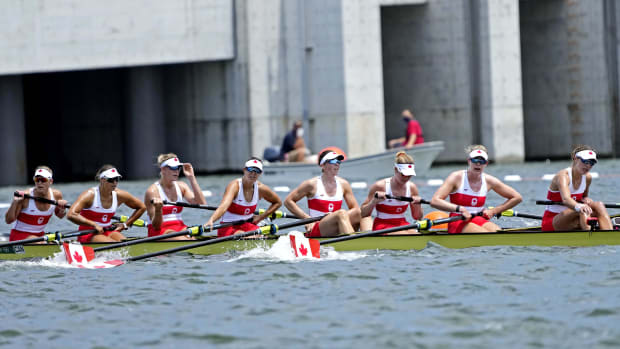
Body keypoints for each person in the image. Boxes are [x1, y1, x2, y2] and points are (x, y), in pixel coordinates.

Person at [430, 145, 522, 233]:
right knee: (486, 235)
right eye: (475, 160)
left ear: (486, 163)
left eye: (482, 161)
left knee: (497, 232)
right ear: (469, 161)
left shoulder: (489, 180)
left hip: (478, 218)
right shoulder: (456, 177)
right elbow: (435, 201)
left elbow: (517, 198)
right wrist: (460, 209)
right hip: (458, 220)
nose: (478, 164)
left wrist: (494, 211)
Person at [284, 150, 363, 237]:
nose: (337, 164)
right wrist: (307, 219)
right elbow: (288, 201)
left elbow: (354, 209)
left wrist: (332, 216)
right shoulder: (311, 184)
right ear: (323, 165)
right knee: (341, 213)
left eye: (338, 161)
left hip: (336, 222)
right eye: (333, 161)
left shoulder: (344, 184)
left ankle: (368, 238)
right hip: (317, 227)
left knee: (360, 212)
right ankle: (353, 241)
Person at [204, 158, 282, 237]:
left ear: (260, 173)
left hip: (247, 225)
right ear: (244, 170)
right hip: (228, 227)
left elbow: (278, 202)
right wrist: (211, 220)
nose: (253, 173)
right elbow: (223, 206)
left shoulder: (261, 188)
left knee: (264, 236)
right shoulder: (235, 186)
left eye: (257, 171)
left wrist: (261, 217)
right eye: (250, 169)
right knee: (244, 235)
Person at [67, 165, 146, 243]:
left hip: (108, 230)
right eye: (111, 180)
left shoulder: (120, 195)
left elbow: (142, 207)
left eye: (116, 179)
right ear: (102, 180)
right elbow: (71, 214)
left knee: (125, 243)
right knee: (115, 245)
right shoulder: (89, 195)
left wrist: (125, 225)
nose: (115, 183)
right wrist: (94, 224)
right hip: (88, 233)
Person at [541, 146, 612, 231]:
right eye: (585, 161)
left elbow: (583, 197)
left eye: (592, 163)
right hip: (552, 221)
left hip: (574, 217)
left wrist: (586, 199)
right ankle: (588, 234)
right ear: (575, 159)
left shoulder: (587, 178)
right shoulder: (563, 176)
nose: (588, 166)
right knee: (583, 209)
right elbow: (566, 199)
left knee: (599, 205)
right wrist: (580, 206)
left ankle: (608, 232)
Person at [144, 154, 207, 240]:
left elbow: (202, 204)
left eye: (178, 167)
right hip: (160, 231)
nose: (177, 171)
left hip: (180, 227)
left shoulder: (182, 187)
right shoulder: (152, 191)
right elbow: (156, 226)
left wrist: (192, 178)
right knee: (185, 240)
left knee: (193, 239)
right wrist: (158, 209)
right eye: (173, 168)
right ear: (163, 169)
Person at [360, 151, 423, 234]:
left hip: (403, 224)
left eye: (409, 175)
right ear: (396, 170)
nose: (406, 178)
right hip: (383, 226)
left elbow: (417, 217)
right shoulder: (380, 186)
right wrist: (373, 202)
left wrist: (417, 205)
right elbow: (363, 214)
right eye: (404, 175)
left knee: (416, 235)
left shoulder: (412, 188)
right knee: (404, 235)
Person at [5, 166, 68, 242]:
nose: (39, 183)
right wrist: (15, 202)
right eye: (37, 180)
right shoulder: (25, 197)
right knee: (43, 243)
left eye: (43, 180)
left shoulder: (56, 195)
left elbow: (60, 216)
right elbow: (8, 220)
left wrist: (62, 209)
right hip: (19, 236)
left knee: (60, 243)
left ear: (50, 181)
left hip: (40, 236)